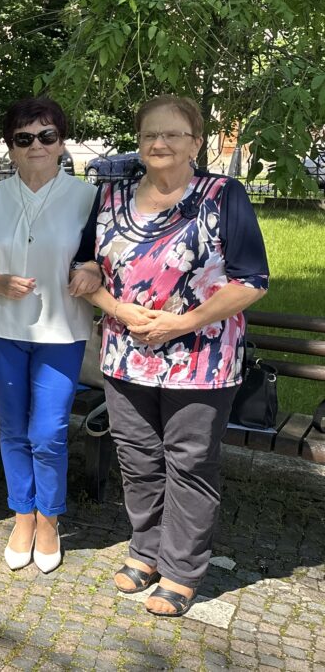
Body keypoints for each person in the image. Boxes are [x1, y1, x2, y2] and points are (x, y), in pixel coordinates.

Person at [70, 95, 268, 617]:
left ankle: (181, 569)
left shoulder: (222, 195)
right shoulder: (111, 196)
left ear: (196, 142)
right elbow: (85, 267)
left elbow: (251, 280)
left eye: (173, 134)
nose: (159, 143)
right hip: (126, 353)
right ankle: (145, 550)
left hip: (201, 358)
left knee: (190, 463)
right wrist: (114, 304)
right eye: (150, 134)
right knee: (137, 458)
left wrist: (181, 323)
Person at [0, 96, 96, 573]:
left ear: (62, 143)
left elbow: (103, 258)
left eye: (47, 135)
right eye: (24, 137)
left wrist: (93, 269)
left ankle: (49, 518)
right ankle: (22, 515)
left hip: (61, 330)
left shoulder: (88, 198)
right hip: (0, 327)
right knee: (13, 426)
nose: (37, 145)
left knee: (49, 432)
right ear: (10, 147)